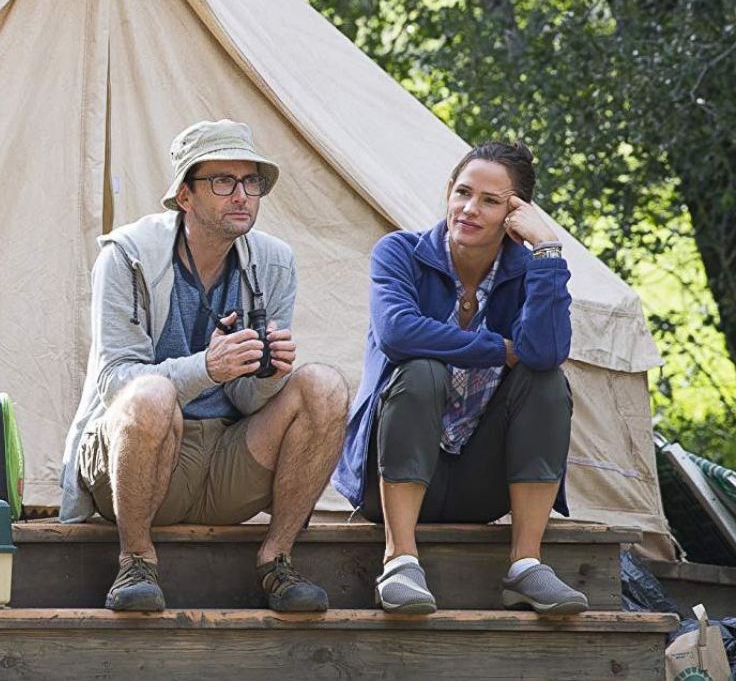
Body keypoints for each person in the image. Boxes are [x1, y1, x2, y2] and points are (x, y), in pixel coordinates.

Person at [58, 119, 349, 613]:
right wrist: (207, 367)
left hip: (229, 459)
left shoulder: (274, 262)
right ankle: (135, 561)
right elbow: (115, 384)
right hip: (143, 461)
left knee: (325, 385)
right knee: (151, 394)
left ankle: (277, 560)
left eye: (251, 182)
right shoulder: (126, 255)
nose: (241, 195)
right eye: (222, 181)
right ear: (185, 196)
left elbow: (246, 400)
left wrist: (265, 375)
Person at [334, 141, 586, 615]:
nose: (470, 209)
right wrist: (499, 350)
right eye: (464, 193)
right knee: (421, 370)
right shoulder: (400, 252)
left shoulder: (529, 270)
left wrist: (548, 250)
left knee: (547, 382)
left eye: (491, 201)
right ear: (448, 191)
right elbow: (398, 333)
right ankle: (400, 560)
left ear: (515, 214)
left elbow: (547, 353)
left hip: (479, 484)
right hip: (389, 478)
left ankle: (526, 565)